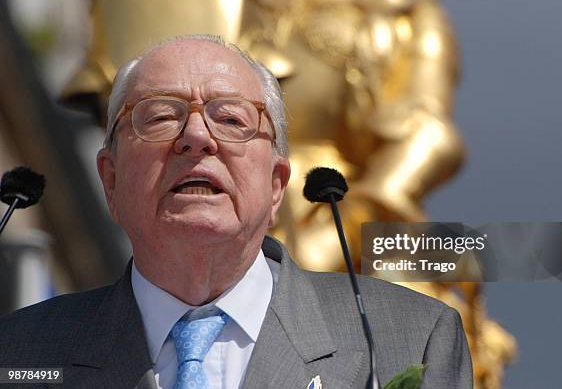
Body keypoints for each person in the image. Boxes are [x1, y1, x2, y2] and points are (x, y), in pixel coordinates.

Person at [0, 35, 472, 388]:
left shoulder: (408, 338)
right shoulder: (20, 351)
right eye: (161, 116)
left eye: (231, 119)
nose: (197, 137)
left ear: (275, 187)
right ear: (112, 180)